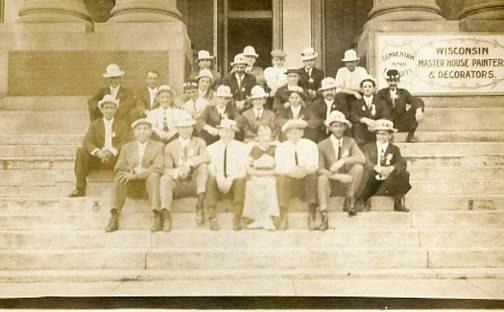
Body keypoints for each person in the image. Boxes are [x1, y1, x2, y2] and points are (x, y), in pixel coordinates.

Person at [105, 118, 164, 232]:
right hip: (131, 186)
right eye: (139, 129)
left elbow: (158, 167)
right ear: (134, 132)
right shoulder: (126, 147)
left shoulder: (158, 146)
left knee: (154, 176)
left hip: (149, 186)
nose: (142, 132)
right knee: (119, 177)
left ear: (151, 132)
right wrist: (131, 168)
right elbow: (117, 167)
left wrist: (138, 174)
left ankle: (157, 215)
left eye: (145, 129)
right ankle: (114, 215)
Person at [69, 95, 130, 197]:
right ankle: (80, 188)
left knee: (127, 154)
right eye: (106, 108)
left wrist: (112, 151)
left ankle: (126, 189)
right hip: (97, 160)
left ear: (115, 110)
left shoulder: (122, 124)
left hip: (114, 160)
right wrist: (97, 152)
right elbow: (87, 141)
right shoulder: (95, 124)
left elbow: (125, 141)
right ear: (101, 110)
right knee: (81, 152)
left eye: (112, 108)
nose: (109, 110)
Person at [160, 114, 210, 230]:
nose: (185, 130)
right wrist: (177, 171)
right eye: (182, 127)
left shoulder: (199, 142)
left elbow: (207, 157)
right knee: (164, 179)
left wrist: (190, 163)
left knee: (203, 166)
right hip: (178, 184)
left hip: (195, 183)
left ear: (192, 128)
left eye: (188, 127)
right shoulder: (170, 146)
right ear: (177, 129)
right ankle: (166, 214)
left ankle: (200, 206)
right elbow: (165, 169)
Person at [318, 111, 365, 226]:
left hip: (347, 181)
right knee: (321, 179)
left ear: (345, 127)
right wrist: (336, 175)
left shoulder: (350, 142)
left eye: (341, 126)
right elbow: (319, 168)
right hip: (331, 181)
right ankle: (324, 214)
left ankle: (349, 200)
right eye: (335, 126)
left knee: (359, 167)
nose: (338, 129)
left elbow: (362, 158)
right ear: (330, 128)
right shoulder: (322, 145)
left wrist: (343, 160)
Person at [356, 119, 411, 213]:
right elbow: (365, 161)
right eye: (378, 134)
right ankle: (363, 200)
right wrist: (375, 167)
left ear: (390, 135)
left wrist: (391, 168)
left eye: (384, 134)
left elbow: (401, 163)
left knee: (404, 174)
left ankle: (397, 201)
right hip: (372, 181)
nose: (380, 136)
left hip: (386, 182)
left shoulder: (394, 149)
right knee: (364, 170)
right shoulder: (368, 147)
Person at [275, 119, 319, 230]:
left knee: (312, 177)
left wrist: (304, 171)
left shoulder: (311, 145)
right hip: (290, 181)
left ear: (302, 133)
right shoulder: (281, 147)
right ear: (287, 135)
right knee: (282, 179)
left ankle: (312, 215)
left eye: (297, 132)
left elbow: (314, 165)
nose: (294, 136)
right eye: (291, 133)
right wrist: (292, 172)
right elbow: (279, 168)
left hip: (305, 180)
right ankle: (283, 216)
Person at [206, 119, 249, 231]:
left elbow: (243, 168)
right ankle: (212, 218)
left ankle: (237, 219)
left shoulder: (242, 148)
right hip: (218, 184)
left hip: (233, 185)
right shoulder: (211, 148)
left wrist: (231, 178)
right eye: (224, 131)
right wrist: (218, 176)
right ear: (219, 132)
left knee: (241, 179)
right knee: (210, 179)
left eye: (230, 132)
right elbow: (210, 167)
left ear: (234, 134)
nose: (227, 135)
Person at [242, 124, 280, 230]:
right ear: (258, 135)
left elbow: (278, 168)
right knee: (251, 185)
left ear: (271, 134)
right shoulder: (252, 148)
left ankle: (268, 218)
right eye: (261, 132)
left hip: (271, 176)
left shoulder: (276, 148)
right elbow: (249, 169)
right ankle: (257, 219)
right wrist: (256, 175)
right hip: (255, 177)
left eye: (267, 133)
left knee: (270, 185)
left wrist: (267, 174)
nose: (264, 136)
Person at [376, 69, 425, 143]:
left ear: (398, 81)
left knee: (415, 108)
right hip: (387, 122)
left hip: (401, 122)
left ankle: (410, 136)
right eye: (390, 81)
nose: (393, 83)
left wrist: (419, 110)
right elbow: (376, 105)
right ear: (387, 81)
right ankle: (388, 135)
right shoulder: (382, 93)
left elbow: (416, 100)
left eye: (395, 80)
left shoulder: (403, 92)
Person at [349, 76, 391, 146]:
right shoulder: (355, 103)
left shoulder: (381, 102)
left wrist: (375, 124)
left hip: (376, 129)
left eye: (369, 86)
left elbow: (386, 115)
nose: (367, 89)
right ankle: (360, 149)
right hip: (362, 131)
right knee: (357, 125)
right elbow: (352, 115)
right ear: (361, 89)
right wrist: (364, 120)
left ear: (374, 89)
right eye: (365, 87)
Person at [310, 77, 348, 142]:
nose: (329, 92)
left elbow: (345, 116)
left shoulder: (341, 103)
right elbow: (313, 119)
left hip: (336, 130)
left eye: (332, 90)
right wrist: (324, 122)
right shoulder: (316, 104)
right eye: (327, 90)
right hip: (321, 130)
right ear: (322, 92)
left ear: (335, 91)